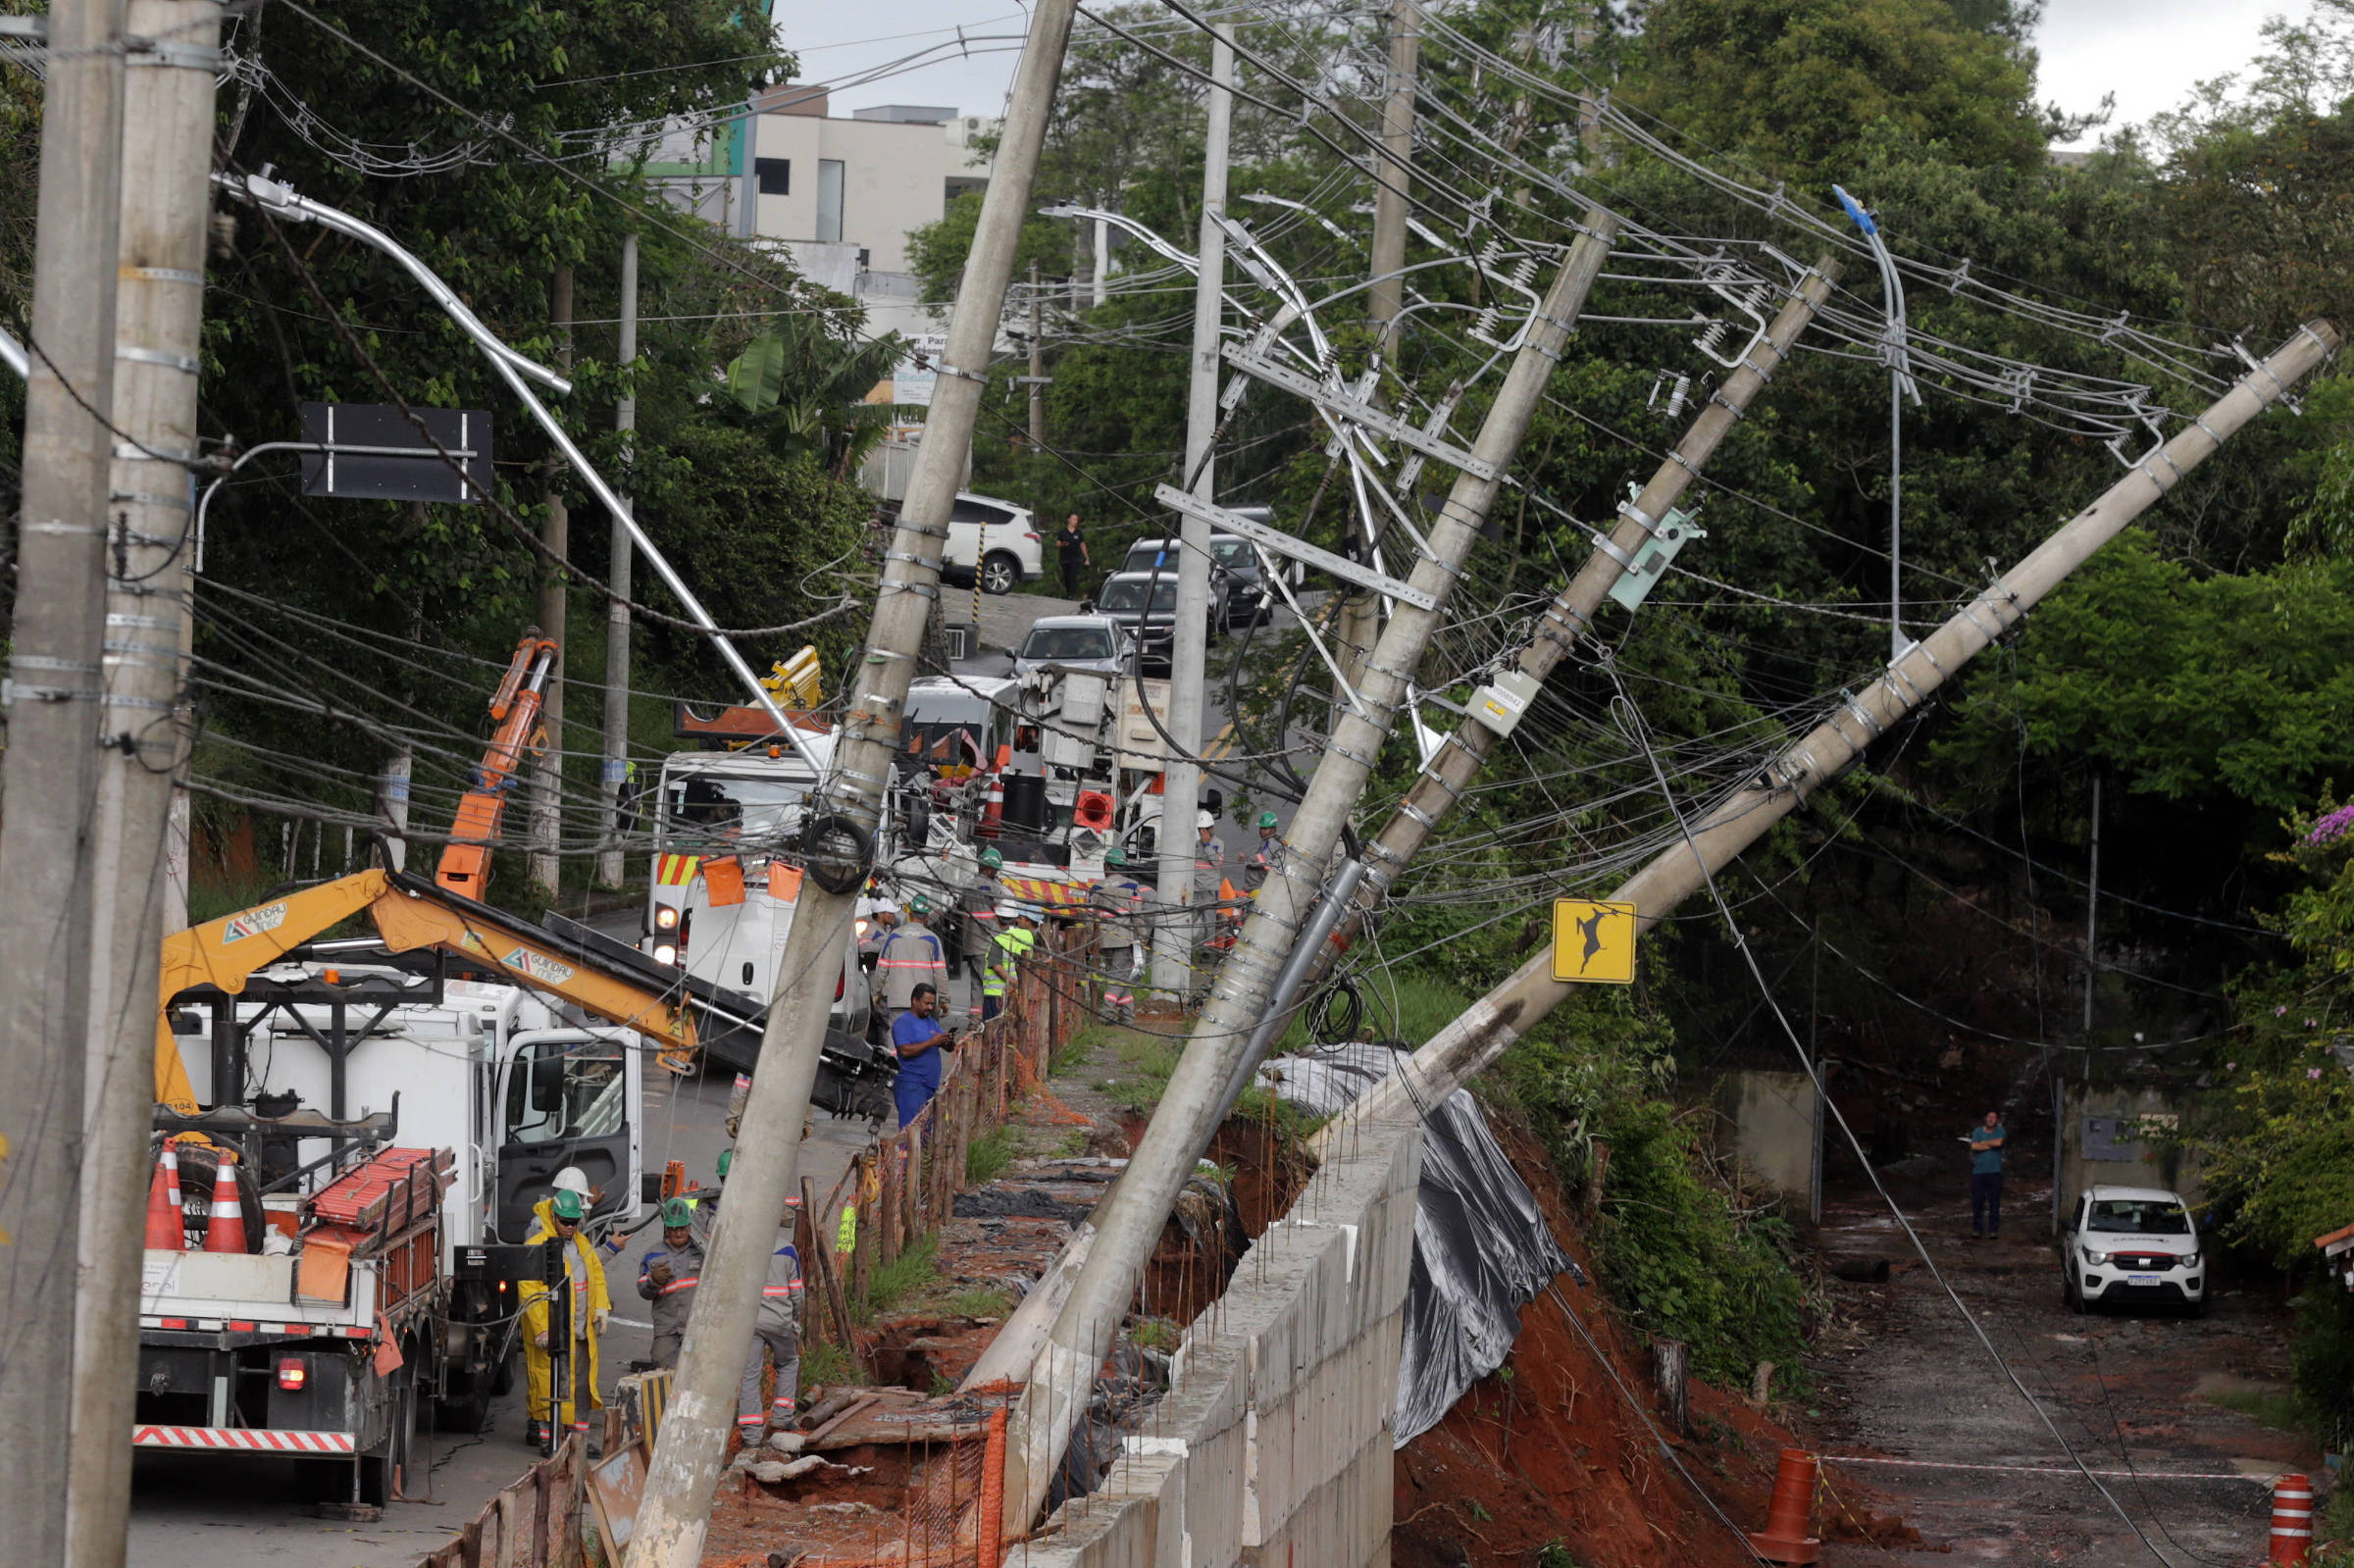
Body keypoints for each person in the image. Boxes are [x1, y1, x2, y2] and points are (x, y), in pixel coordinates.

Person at [519, 1188, 610, 1448]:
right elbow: (528, 1289)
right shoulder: (537, 1247)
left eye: (575, 1222)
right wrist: (541, 1329)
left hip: (581, 1333)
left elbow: (597, 1277)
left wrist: (601, 1308)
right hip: (553, 1334)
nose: (571, 1227)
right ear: (553, 1216)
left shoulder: (582, 1244)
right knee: (549, 1387)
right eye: (565, 1222)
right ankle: (549, 1440)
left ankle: (578, 1442)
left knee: (581, 1388)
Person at [736, 1197, 805, 1448]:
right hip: (779, 1322)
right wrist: (796, 1321)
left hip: (750, 1324)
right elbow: (797, 1294)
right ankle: (783, 1417)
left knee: (750, 1374)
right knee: (787, 1362)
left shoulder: (743, 1248)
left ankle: (751, 1436)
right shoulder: (787, 1251)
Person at [637, 1196, 704, 1370]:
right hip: (667, 1330)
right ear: (666, 1228)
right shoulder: (653, 1255)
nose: (679, 1233)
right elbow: (643, 1291)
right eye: (674, 1229)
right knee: (664, 1373)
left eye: (682, 1228)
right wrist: (653, 1281)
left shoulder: (702, 1252)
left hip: (695, 1328)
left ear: (689, 1226)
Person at [891, 983, 957, 1128]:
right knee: (911, 1130)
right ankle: (904, 1151)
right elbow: (905, 1051)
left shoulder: (931, 1022)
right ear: (915, 1001)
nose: (930, 1007)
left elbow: (948, 1047)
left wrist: (947, 1041)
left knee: (926, 1133)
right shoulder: (903, 1023)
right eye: (926, 1003)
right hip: (911, 1085)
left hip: (930, 1086)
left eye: (932, 1004)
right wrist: (932, 1041)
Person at [1092, 848, 1144, 1023]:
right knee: (1118, 977)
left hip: (1104, 940)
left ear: (1107, 866)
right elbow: (1137, 915)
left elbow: (1090, 915)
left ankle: (1128, 1016)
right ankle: (1106, 1013)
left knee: (1117, 975)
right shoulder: (1132, 886)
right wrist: (1143, 936)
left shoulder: (1097, 887)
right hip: (1124, 939)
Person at [875, 893, 948, 1013]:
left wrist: (877, 992)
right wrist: (945, 999)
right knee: (923, 1032)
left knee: (899, 1031)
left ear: (909, 914)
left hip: (897, 1001)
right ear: (926, 917)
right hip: (923, 1004)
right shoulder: (932, 939)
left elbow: (881, 969)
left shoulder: (893, 937)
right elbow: (940, 973)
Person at [1967, 1109, 2007, 1239]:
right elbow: (1974, 1147)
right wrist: (1991, 1145)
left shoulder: (2000, 1131)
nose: (1991, 1119)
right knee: (1978, 1201)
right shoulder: (1977, 1131)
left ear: (1997, 1120)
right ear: (1985, 1118)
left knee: (1994, 1202)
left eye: (1994, 1117)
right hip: (1978, 1172)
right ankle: (1977, 1229)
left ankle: (1993, 1230)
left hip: (1995, 1172)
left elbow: (1999, 1142)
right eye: (1989, 1117)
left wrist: (1983, 1143)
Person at [1192, 812, 1225, 949]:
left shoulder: (1218, 844)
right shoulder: (1195, 844)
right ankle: (1189, 948)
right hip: (1195, 889)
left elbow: (1217, 863)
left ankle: (1208, 952)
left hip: (1210, 890)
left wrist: (1207, 845)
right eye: (1200, 829)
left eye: (1205, 829)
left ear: (1212, 828)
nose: (1202, 832)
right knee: (1190, 920)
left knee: (1209, 923)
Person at [1244, 811, 1284, 892]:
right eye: (1261, 828)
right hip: (1253, 887)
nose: (1261, 831)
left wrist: (1246, 858)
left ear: (1273, 829)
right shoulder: (1264, 842)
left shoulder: (1274, 844)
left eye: (1265, 828)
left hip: (1260, 888)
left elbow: (1262, 861)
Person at [1055, 513, 1090, 594]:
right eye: (1074, 519)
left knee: (1073, 576)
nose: (1075, 521)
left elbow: (1082, 545)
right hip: (1064, 558)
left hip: (1075, 558)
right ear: (1069, 520)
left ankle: (1072, 594)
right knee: (1066, 576)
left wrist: (1087, 557)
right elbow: (1057, 544)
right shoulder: (1062, 532)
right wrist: (1062, 544)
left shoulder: (1079, 533)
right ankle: (1068, 592)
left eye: (1076, 519)